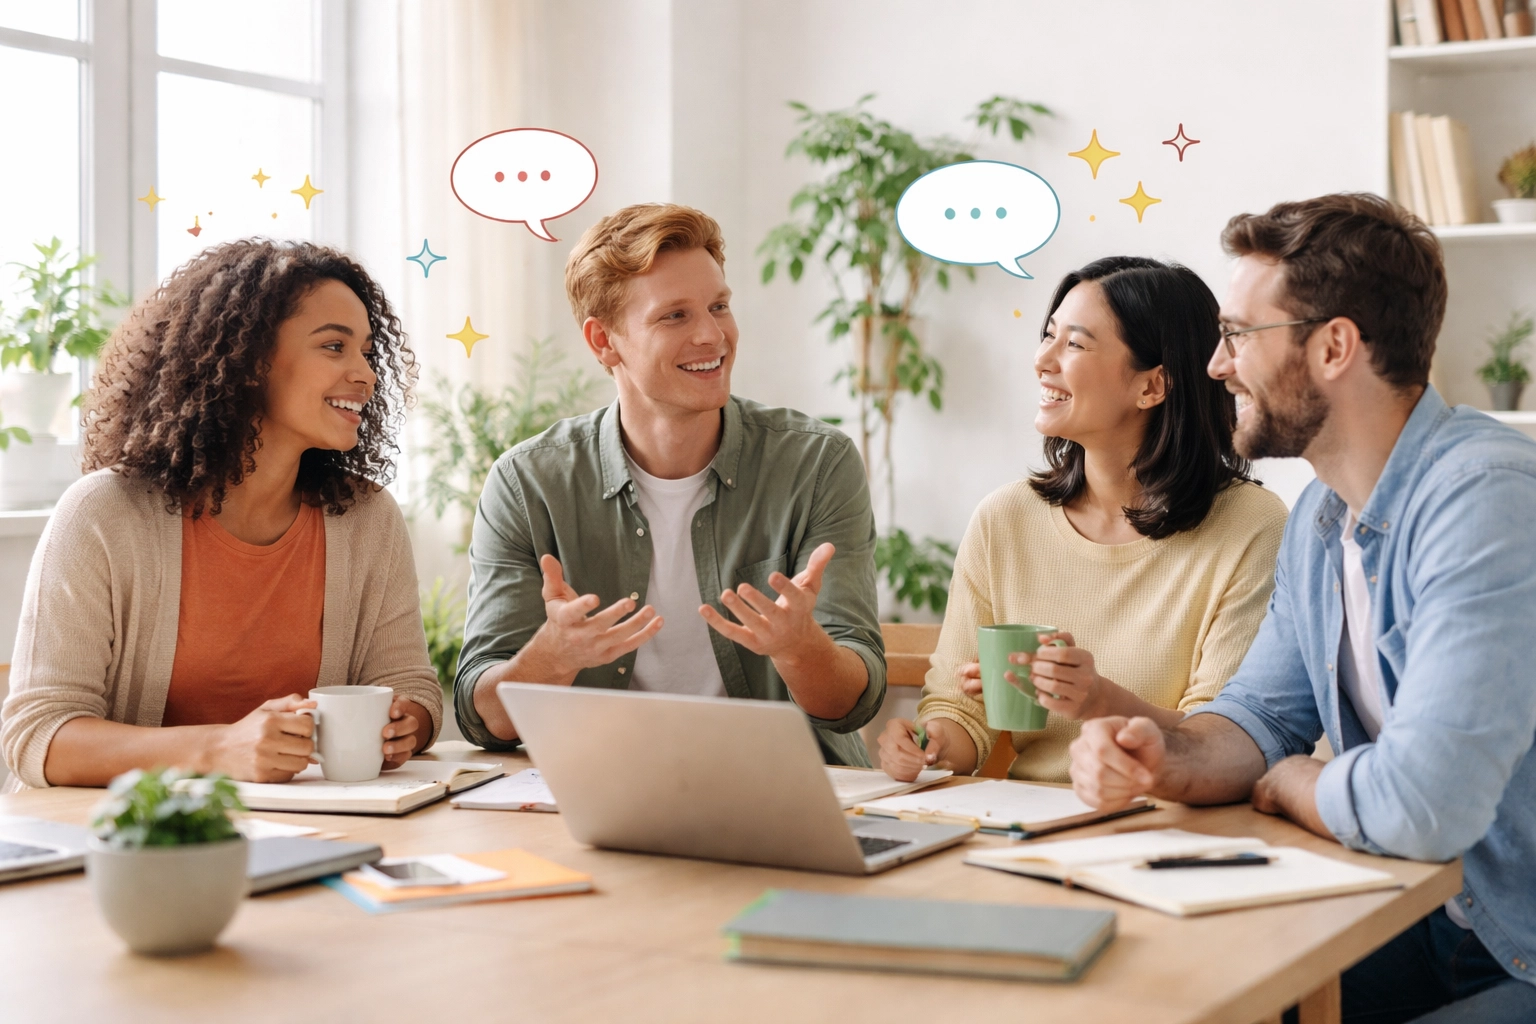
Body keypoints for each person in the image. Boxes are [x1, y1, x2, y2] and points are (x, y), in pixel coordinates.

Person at [1068, 194, 1536, 1023]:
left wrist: (1297, 782)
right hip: (1433, 916)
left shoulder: (1485, 498)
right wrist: (1166, 757)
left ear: (1334, 346)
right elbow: (1254, 720)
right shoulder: (1321, 523)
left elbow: (1422, 807)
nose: (1216, 365)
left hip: (1518, 943)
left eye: (1238, 335)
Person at [1, 240, 443, 790]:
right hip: (129, 845)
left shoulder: (367, 517)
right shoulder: (104, 514)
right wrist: (218, 748)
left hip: (312, 834)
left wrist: (407, 723)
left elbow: (409, 686)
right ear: (250, 359)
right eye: (335, 347)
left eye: (368, 353)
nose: (366, 374)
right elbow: (38, 734)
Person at [454, 203, 885, 766]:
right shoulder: (527, 482)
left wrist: (799, 647)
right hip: (601, 785)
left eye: (719, 306)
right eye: (674, 316)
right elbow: (482, 716)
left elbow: (851, 704)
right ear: (603, 342)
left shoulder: (817, 464)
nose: (712, 335)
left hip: (780, 787)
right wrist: (552, 657)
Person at [880, 256, 1287, 783]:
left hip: (1169, 825)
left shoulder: (1251, 526)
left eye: (1073, 344)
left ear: (1152, 387)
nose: (1042, 361)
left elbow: (1225, 738)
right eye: (1048, 335)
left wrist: (1097, 699)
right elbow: (960, 712)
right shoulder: (1005, 520)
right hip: (1023, 826)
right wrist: (929, 745)